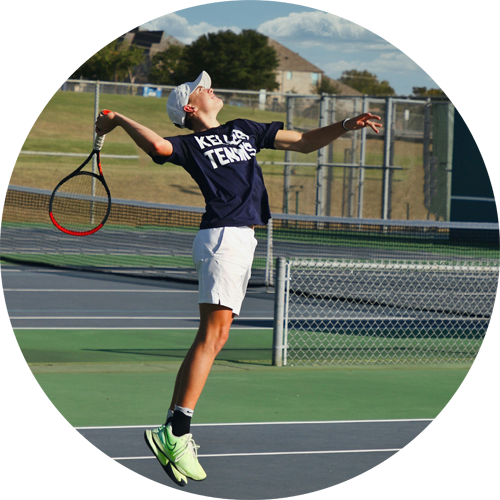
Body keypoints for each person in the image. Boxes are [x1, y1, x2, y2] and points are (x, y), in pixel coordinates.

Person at [95, 71, 382, 486]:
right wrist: (119, 118)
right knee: (213, 335)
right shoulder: (187, 144)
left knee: (216, 335)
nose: (209, 87)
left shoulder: (243, 130)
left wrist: (344, 126)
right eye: (200, 88)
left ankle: (174, 429)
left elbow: (302, 142)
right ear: (190, 108)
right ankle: (175, 431)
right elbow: (158, 146)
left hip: (242, 238)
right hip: (222, 236)